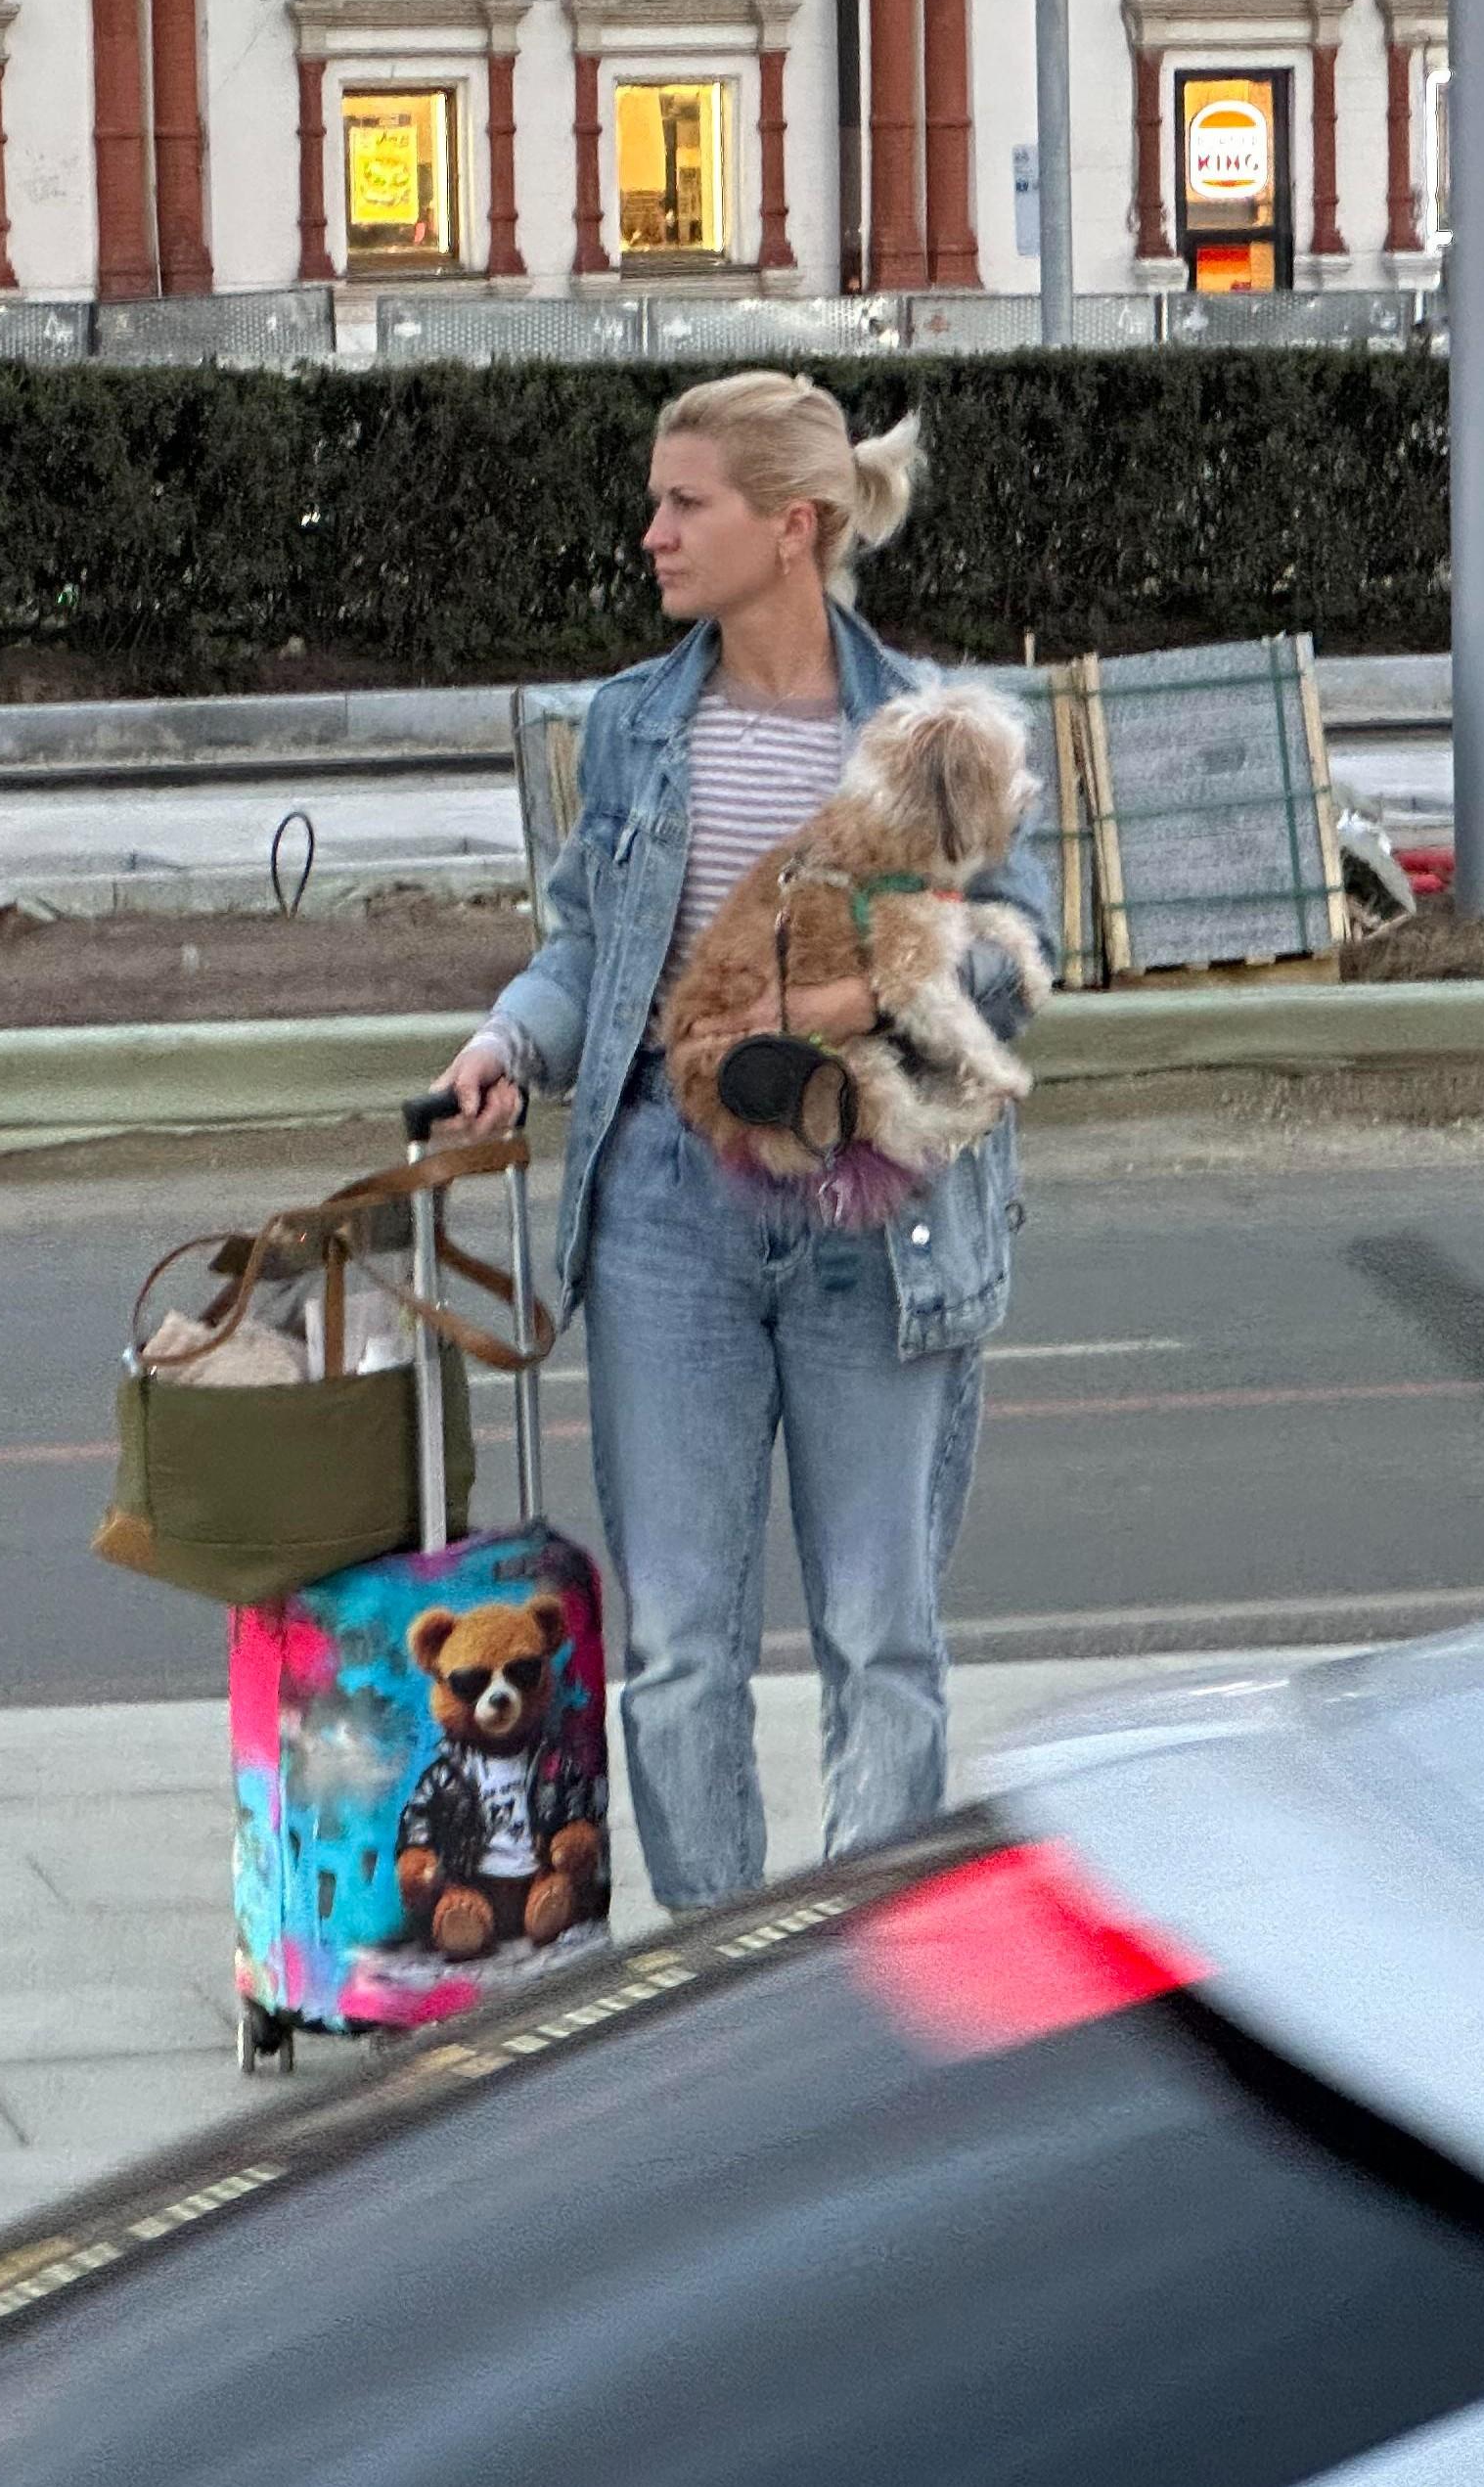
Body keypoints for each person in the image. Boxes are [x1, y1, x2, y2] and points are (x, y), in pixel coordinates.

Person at [431, 371, 1053, 1911]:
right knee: (678, 1646)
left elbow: (1026, 949)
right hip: (670, 1203)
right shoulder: (635, 724)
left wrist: (859, 994)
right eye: (656, 501)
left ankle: (862, 1970)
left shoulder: (930, 727)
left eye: (684, 503)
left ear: (792, 526)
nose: (652, 533)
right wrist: (510, 1044)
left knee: (881, 1636)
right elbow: (589, 946)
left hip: (879, 1206)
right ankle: (713, 1971)